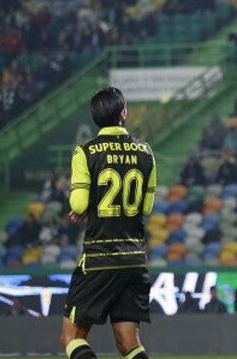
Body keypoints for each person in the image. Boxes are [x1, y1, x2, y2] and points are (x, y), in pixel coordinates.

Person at [60, 87, 157, 359]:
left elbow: (78, 205)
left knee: (71, 336)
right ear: (123, 113)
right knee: (129, 344)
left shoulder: (85, 151)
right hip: (135, 258)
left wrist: (88, 206)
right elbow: (146, 207)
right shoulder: (145, 151)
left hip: (100, 257)